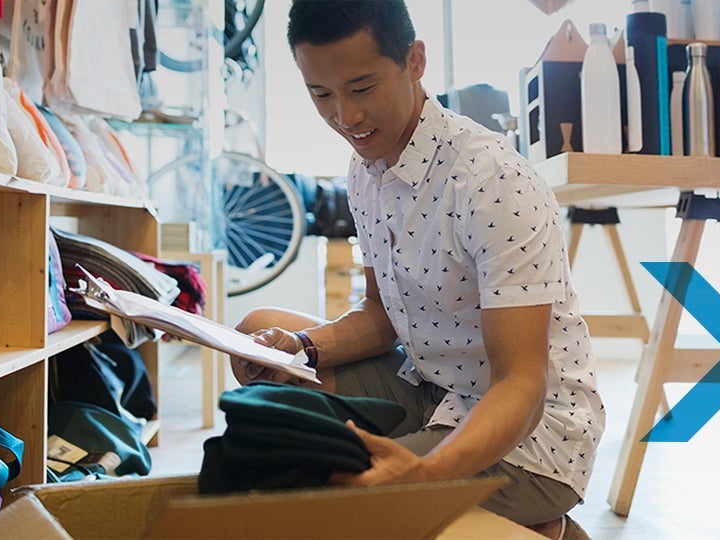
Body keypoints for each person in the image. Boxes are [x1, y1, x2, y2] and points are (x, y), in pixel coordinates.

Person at [232, 1, 603, 537]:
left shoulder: (492, 181)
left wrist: (425, 476)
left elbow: (520, 385)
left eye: (361, 88)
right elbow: (383, 316)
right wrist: (303, 350)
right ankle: (497, 515)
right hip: (429, 386)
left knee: (353, 504)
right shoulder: (365, 171)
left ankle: (541, 519)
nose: (346, 117)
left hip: (532, 433)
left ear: (414, 61)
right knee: (258, 341)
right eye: (322, 95)